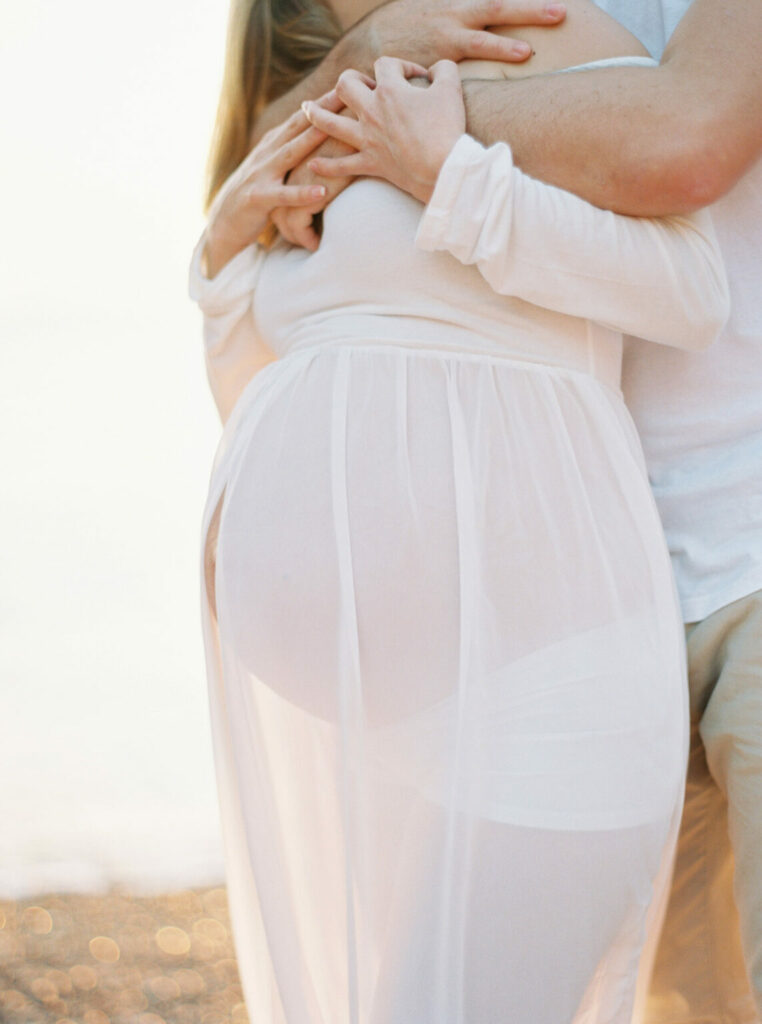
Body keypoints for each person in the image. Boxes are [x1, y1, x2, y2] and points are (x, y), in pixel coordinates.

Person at [189, 2, 730, 1021]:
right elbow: (261, 398)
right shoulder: (308, 105)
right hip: (372, 720)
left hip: (544, 678)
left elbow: (690, 293)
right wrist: (222, 256)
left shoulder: (551, 42)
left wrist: (457, 181)